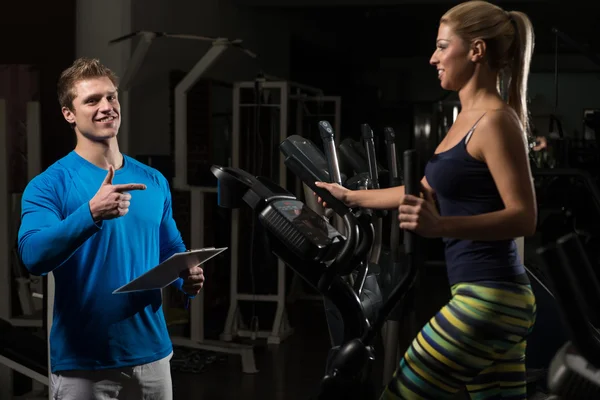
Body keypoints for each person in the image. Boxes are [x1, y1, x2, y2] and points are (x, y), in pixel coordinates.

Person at [316, 1, 538, 399]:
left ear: (476, 51)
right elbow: (419, 190)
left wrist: (441, 226)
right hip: (489, 298)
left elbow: (523, 218)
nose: (433, 57)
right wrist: (349, 196)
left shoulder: (495, 122)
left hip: (488, 298)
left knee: (400, 393)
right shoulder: (464, 121)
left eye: (441, 46)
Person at [17, 57, 204, 400]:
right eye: (92, 100)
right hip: (84, 362)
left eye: (111, 97)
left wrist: (186, 277)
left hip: (153, 355)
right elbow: (33, 256)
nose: (106, 107)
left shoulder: (153, 180)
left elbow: (170, 250)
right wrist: (91, 213)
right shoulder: (49, 185)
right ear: (68, 114)